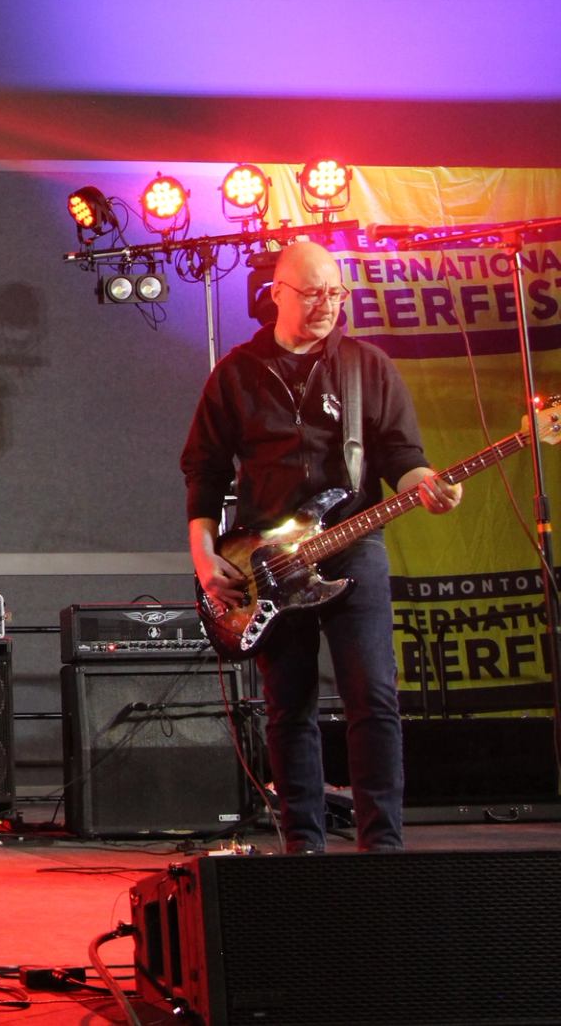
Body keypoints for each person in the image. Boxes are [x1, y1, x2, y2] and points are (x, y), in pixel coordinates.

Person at [182, 240, 460, 854]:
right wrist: (204, 557)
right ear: (277, 294)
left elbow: (401, 455)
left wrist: (425, 484)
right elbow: (203, 471)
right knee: (289, 706)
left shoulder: (367, 367)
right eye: (312, 294)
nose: (327, 305)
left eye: (336, 293)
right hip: (267, 561)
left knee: (373, 697)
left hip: (352, 544)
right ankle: (303, 847)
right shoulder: (235, 373)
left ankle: (381, 847)